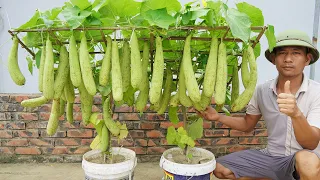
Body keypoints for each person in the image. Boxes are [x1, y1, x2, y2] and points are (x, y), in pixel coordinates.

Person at [197, 29, 320, 180]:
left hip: (305, 158)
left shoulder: (317, 92)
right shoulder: (262, 90)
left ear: (307, 59)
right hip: (272, 157)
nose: (288, 59)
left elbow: (312, 143)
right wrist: (218, 117)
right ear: (274, 59)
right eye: (282, 53)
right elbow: (247, 124)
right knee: (220, 168)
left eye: (296, 53)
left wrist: (296, 114)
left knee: (307, 162)